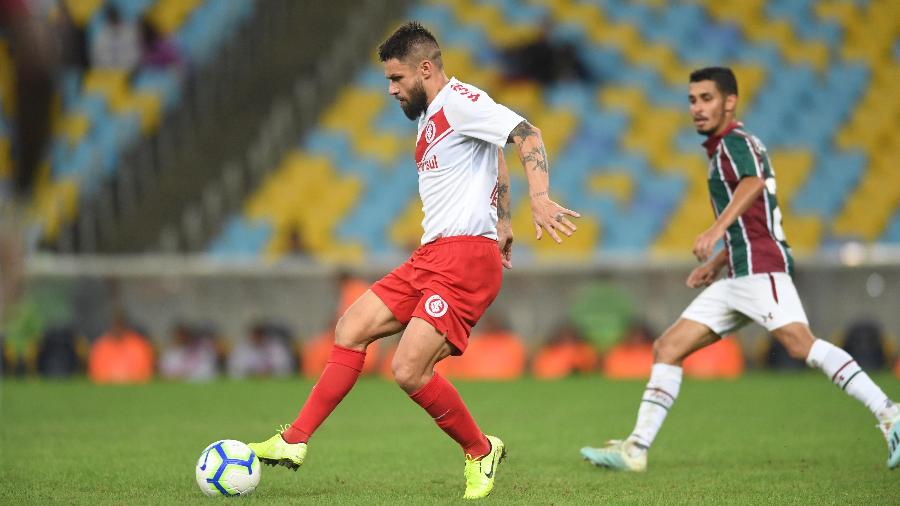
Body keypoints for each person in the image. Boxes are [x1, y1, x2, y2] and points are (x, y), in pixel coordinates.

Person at [249, 22, 579, 500]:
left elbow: (526, 134)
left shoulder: (461, 101)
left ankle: (480, 450)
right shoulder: (431, 118)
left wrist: (541, 198)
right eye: (388, 80)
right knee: (350, 328)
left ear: (425, 69)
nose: (391, 89)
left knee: (407, 370)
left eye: (397, 78)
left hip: (465, 260)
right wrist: (503, 219)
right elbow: (495, 158)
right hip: (431, 255)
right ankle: (294, 441)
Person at [580, 67, 900, 472]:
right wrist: (718, 261)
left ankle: (889, 411)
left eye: (707, 99)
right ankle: (636, 448)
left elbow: (754, 183)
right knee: (668, 347)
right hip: (738, 272)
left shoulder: (734, 143)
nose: (697, 108)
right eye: (693, 100)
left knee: (801, 344)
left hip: (762, 269)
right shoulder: (722, 148)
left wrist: (716, 231)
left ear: (730, 102)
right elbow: (756, 217)